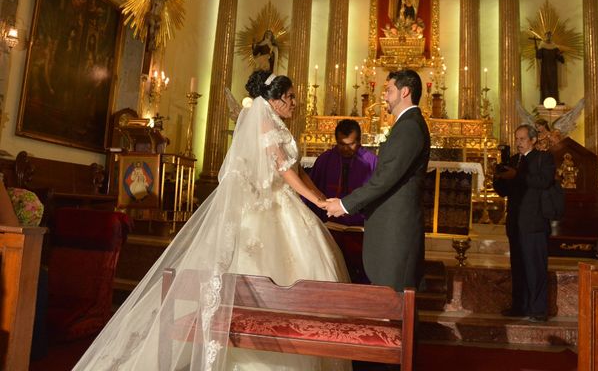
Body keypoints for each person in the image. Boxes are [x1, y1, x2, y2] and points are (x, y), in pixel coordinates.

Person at [73, 70, 350, 371]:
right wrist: (318, 202)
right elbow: (283, 170)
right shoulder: (266, 123)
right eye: (291, 97)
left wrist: (322, 199)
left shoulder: (276, 122)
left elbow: (298, 170)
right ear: (275, 99)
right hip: (268, 209)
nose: (297, 102)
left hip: (283, 204)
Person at [324, 69, 430, 292]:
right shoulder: (407, 124)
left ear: (405, 92)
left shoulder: (410, 126)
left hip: (397, 228)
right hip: (392, 224)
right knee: (393, 299)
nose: (385, 96)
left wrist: (344, 204)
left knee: (396, 297)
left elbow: (385, 177)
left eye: (389, 90)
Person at [493, 124, 556, 322]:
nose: (518, 143)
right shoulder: (513, 160)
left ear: (533, 140)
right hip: (516, 222)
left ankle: (538, 309)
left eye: (522, 139)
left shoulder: (543, 158)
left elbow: (544, 181)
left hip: (534, 222)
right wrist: (498, 176)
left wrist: (517, 175)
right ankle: (519, 306)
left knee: (535, 266)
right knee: (518, 266)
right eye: (517, 139)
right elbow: (504, 191)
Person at [306, 119, 378, 227]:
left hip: (361, 226)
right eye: (341, 144)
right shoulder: (325, 159)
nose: (345, 149)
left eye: (351, 144)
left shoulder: (371, 161)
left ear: (359, 141)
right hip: (329, 223)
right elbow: (311, 188)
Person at [534, 31, 564, 104]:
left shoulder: (555, 47)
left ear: (551, 37)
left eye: (550, 35)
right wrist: (536, 50)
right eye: (547, 35)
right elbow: (538, 56)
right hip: (545, 69)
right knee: (545, 84)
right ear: (545, 36)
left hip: (553, 69)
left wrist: (560, 56)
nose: (548, 37)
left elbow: (561, 60)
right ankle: (544, 100)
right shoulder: (542, 46)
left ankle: (555, 100)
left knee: (553, 84)